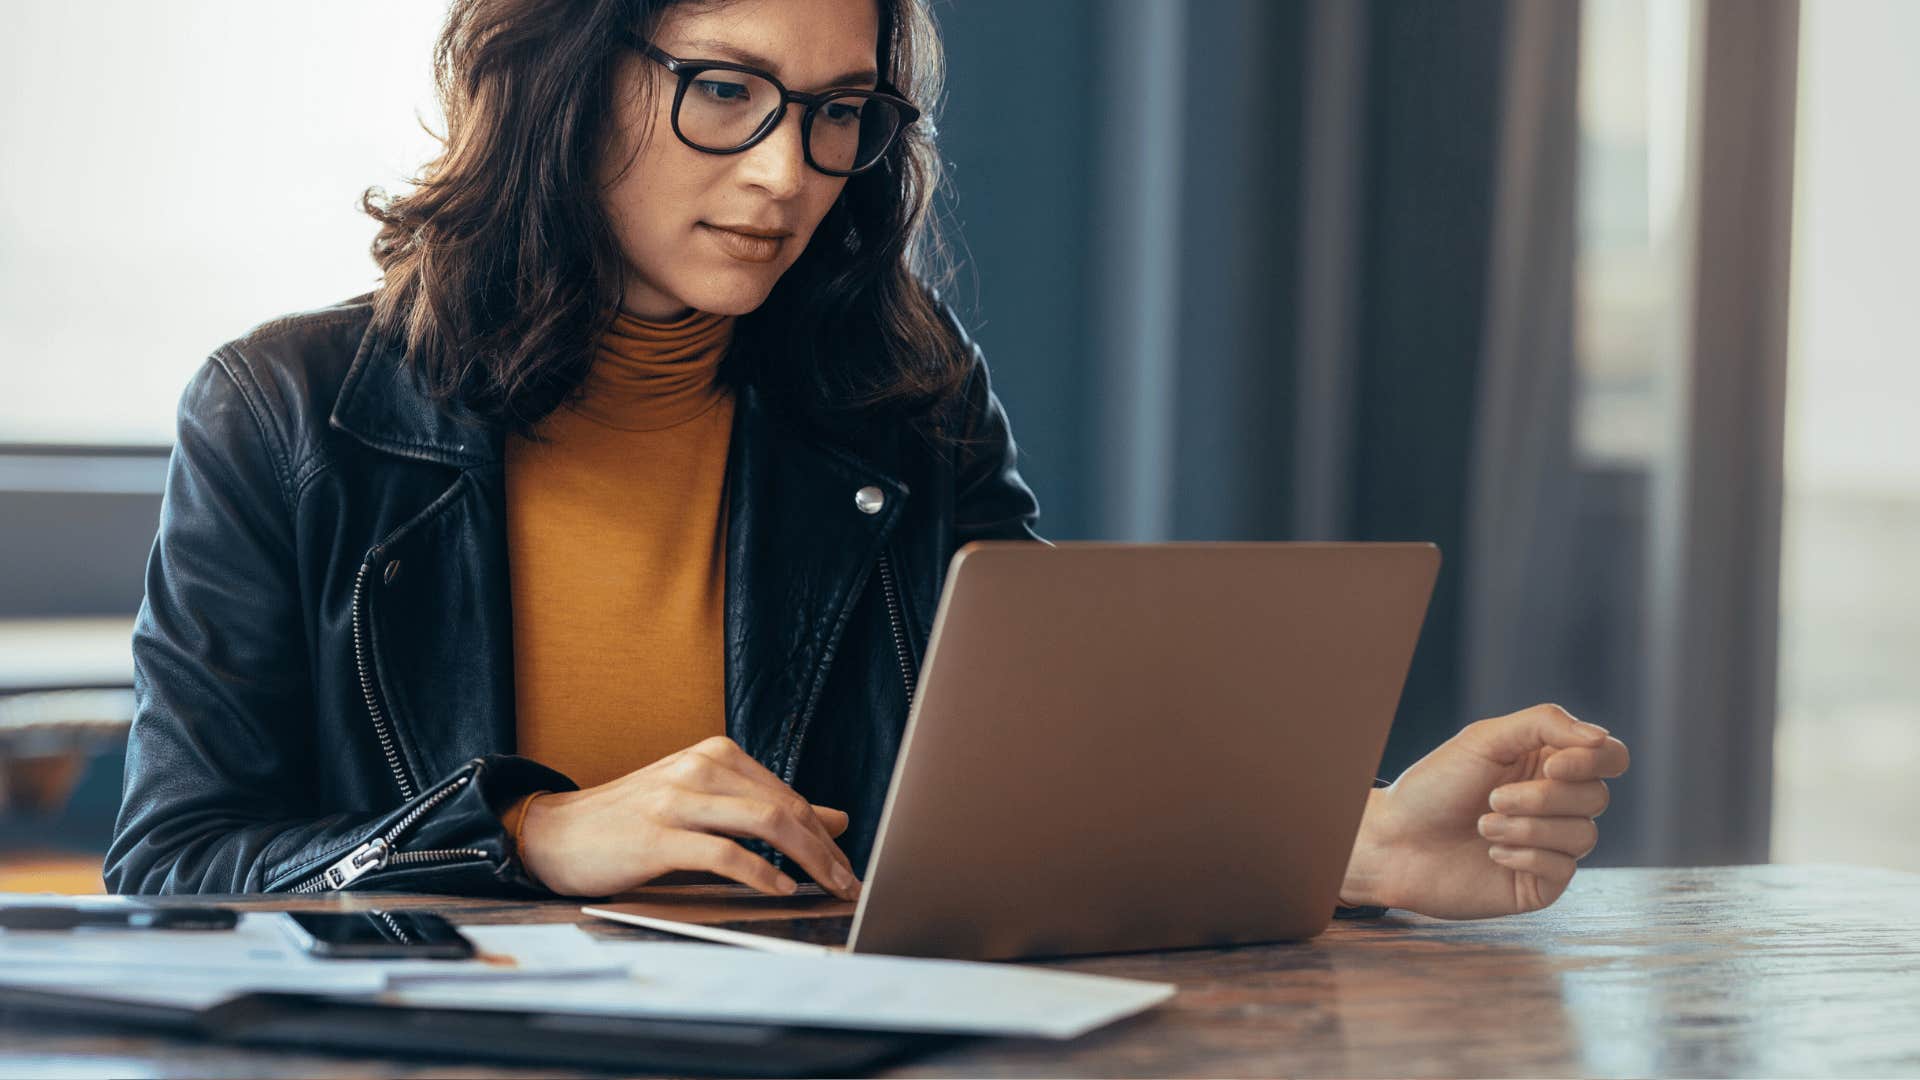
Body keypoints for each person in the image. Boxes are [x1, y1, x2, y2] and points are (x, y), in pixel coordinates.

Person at [105, 0, 1629, 920]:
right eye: (722, 90)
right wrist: (525, 837)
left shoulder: (903, 396)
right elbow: (174, 867)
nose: (786, 174)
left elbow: (1041, 785)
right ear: (562, 76)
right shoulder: (287, 413)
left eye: (838, 112)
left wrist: (1349, 839)